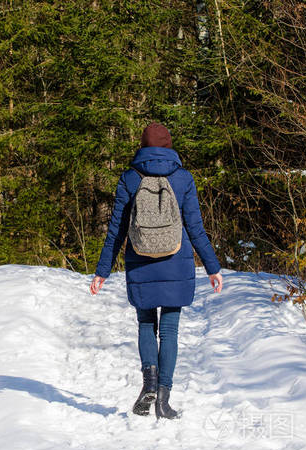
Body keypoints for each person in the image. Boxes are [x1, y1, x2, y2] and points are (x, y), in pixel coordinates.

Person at [89, 122, 223, 419]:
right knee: (170, 330)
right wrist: (212, 268)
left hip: (140, 259)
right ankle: (163, 399)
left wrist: (102, 271)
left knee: (146, 324)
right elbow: (196, 228)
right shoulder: (183, 178)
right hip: (176, 261)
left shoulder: (130, 178)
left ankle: (148, 383)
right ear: (168, 145)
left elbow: (117, 230)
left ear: (143, 144)